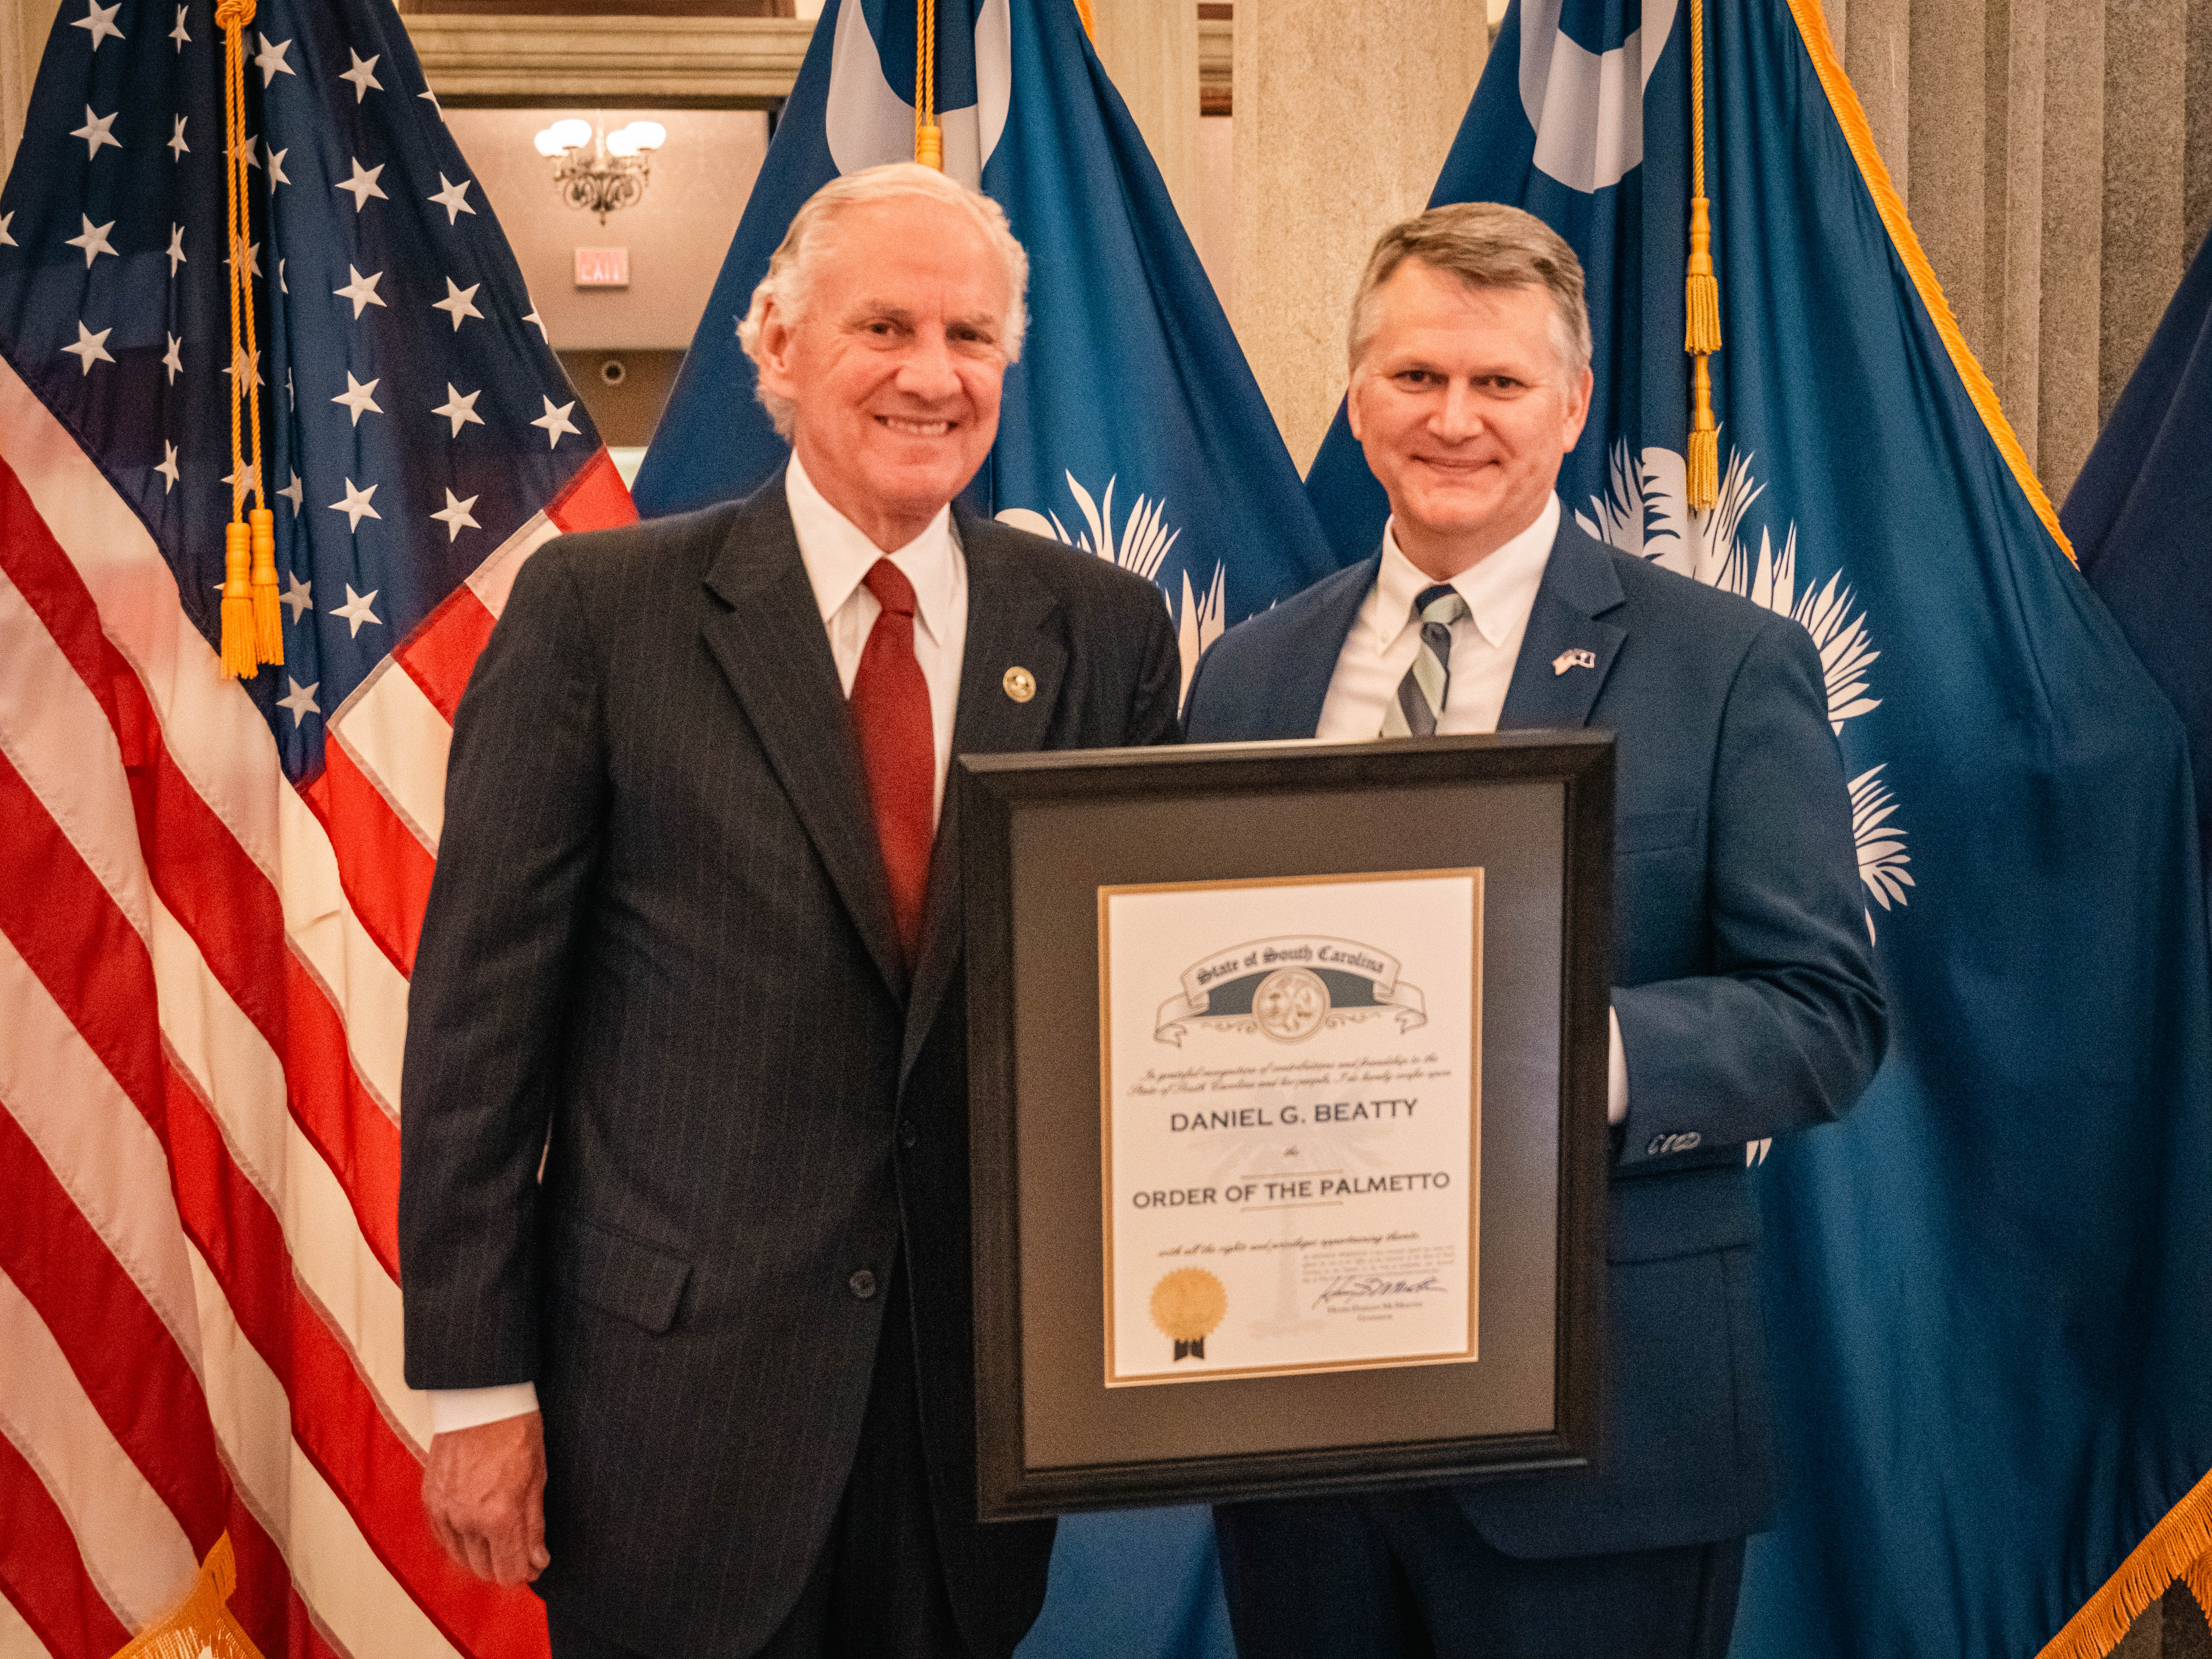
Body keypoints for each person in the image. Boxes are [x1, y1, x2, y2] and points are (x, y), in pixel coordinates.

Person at [398, 163, 1182, 1659]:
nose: (931, 377)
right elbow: (480, 1031)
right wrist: (479, 1390)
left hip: (973, 1416)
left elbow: (1131, 1008)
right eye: (883, 326)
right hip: (675, 1413)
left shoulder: (1100, 632)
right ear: (777, 348)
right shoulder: (599, 614)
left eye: (971, 338)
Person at [1182, 203, 1886, 1658]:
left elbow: (1824, 1015)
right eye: (1416, 377)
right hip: (1299, 1434)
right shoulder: (1253, 674)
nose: (1455, 419)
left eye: (1499, 384)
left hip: (1606, 1441)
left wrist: (1569, 1053)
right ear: (1358, 396)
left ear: (1570, 405)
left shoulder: (1727, 665)